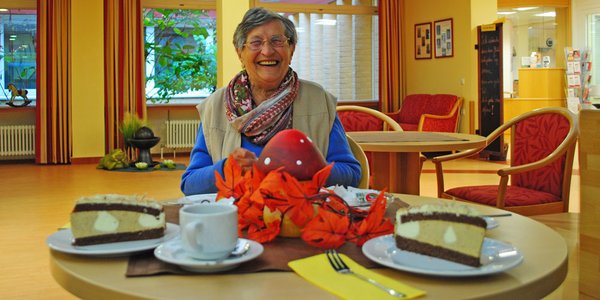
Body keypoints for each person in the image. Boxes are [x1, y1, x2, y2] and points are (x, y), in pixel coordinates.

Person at [181, 7, 361, 195]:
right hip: (237, 218)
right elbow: (191, 184)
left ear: (291, 50)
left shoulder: (318, 100)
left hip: (302, 217)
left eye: (277, 41)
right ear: (239, 53)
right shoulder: (216, 105)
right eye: (256, 42)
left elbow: (351, 175)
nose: (267, 51)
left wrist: (312, 166)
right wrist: (227, 167)